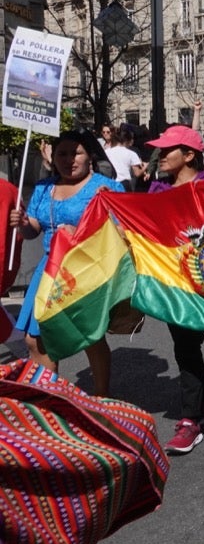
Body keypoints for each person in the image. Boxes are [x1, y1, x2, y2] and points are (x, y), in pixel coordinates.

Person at [9, 130, 123, 396]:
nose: (69, 159)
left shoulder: (106, 188)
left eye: (76, 153)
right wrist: (24, 223)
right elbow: (34, 230)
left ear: (89, 156)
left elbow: (122, 233)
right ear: (53, 156)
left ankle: (100, 397)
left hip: (87, 270)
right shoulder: (43, 188)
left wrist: (84, 232)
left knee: (89, 337)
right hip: (49, 268)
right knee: (36, 339)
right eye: (63, 153)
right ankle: (47, 399)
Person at [146, 126, 204, 453]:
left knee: (188, 346)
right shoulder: (156, 189)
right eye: (160, 152)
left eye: (167, 151)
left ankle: (194, 415)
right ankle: (199, 410)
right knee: (184, 346)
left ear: (189, 155)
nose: (160, 157)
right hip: (171, 280)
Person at [101, 124, 143, 190]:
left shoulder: (106, 152)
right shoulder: (131, 153)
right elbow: (137, 173)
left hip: (111, 184)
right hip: (125, 185)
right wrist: (146, 166)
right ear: (128, 141)